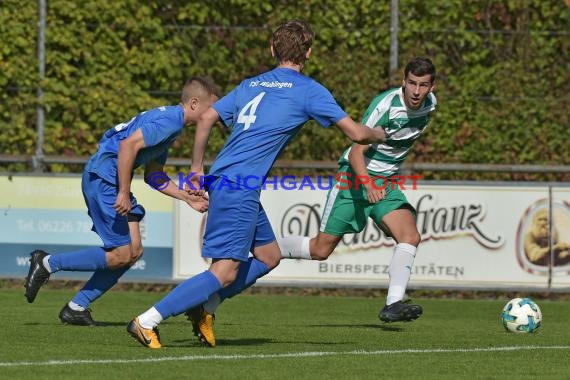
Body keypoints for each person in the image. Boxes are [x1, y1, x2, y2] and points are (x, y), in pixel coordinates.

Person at [127, 19, 386, 349]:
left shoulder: (251, 84)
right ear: (308, 52)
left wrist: (196, 167)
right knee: (223, 272)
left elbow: (206, 117)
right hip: (238, 186)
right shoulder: (309, 90)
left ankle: (205, 306)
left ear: (272, 50)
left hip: (233, 181)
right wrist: (379, 134)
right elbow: (356, 134)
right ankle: (147, 320)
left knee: (269, 255)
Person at [188, 57, 438, 347]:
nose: (417, 91)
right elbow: (357, 151)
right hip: (356, 180)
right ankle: (270, 249)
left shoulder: (431, 104)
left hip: (385, 183)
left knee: (410, 236)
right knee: (320, 250)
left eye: (423, 85)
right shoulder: (385, 105)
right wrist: (368, 185)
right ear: (403, 81)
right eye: (411, 83)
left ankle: (393, 303)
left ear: (432, 86)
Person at [24, 77, 219, 325]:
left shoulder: (173, 125)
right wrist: (124, 192)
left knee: (133, 251)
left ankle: (76, 307)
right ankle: (47, 262)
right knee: (120, 253)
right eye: (210, 108)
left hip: (110, 179)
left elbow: (153, 175)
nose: (213, 115)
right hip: (104, 179)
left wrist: (185, 197)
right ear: (194, 103)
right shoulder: (171, 121)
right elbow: (128, 146)